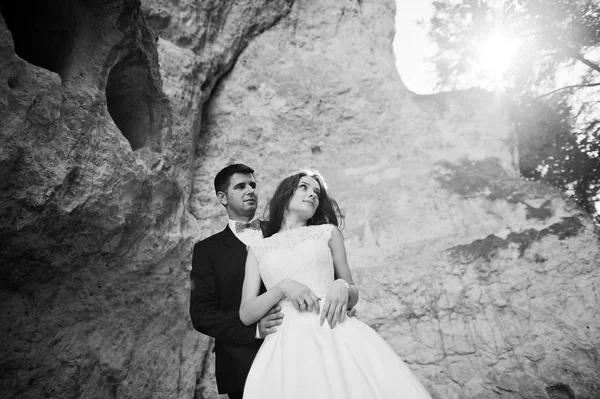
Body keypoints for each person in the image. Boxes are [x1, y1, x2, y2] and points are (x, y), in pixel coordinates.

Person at [239, 170, 433, 399]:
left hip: (333, 329)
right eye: (304, 187)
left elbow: (352, 290)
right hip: (285, 347)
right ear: (285, 194)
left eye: (316, 192)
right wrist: (282, 287)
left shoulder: (328, 233)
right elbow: (246, 313)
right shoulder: (257, 249)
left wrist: (341, 285)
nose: (312, 194)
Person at [189, 164, 284, 399]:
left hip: (293, 354)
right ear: (222, 197)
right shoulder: (206, 251)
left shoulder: (283, 233)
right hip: (243, 365)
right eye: (240, 186)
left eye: (253, 185)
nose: (250, 190)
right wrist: (254, 329)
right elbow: (202, 314)